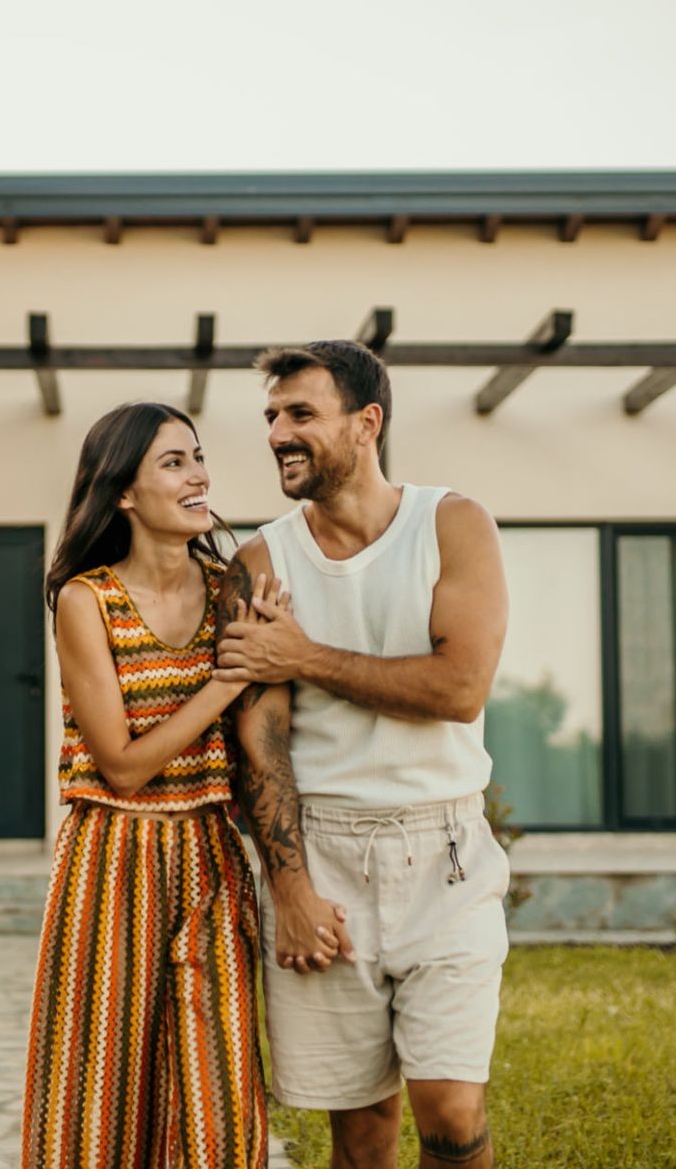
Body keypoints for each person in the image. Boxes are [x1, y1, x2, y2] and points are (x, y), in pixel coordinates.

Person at [215, 340, 512, 1169]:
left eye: (301, 413)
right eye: (272, 416)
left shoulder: (452, 524)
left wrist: (304, 657)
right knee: (361, 1128)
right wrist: (290, 885)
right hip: (325, 857)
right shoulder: (260, 563)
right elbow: (260, 743)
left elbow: (459, 689)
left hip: (445, 853)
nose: (278, 432)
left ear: (365, 423)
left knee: (451, 1112)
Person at [21, 400, 280, 1169]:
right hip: (108, 862)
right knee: (98, 1096)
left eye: (197, 457)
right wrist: (229, 681)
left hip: (208, 856)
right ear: (123, 493)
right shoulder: (84, 600)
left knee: (221, 1104)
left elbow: (265, 732)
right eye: (174, 462)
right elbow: (123, 765)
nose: (198, 474)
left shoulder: (232, 587)